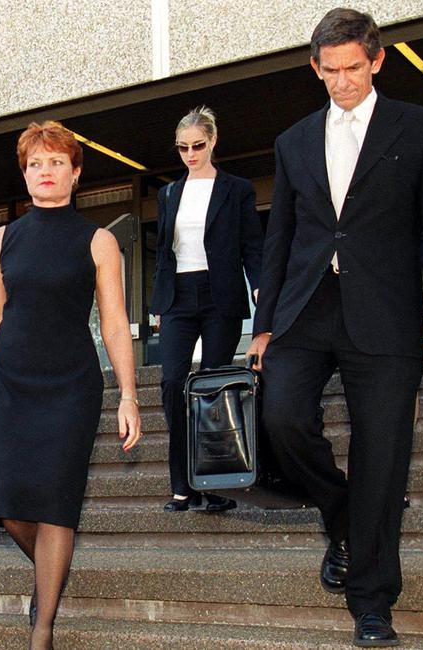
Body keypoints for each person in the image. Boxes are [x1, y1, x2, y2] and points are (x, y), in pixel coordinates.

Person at [247, 9, 423, 647]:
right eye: (330, 71)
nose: (342, 81)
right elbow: (281, 238)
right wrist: (262, 326)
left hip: (387, 311)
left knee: (383, 456)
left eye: (353, 68)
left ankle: (372, 602)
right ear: (314, 67)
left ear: (376, 61)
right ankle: (344, 514)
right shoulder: (293, 141)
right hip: (306, 306)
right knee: (282, 417)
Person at [0, 120, 141, 650]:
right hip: (10, 384)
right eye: (34, 164)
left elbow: (115, 323)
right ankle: (49, 578)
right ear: (25, 175)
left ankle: (42, 629)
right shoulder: (2, 239)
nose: (44, 172)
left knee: (56, 506)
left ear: (75, 172)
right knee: (13, 510)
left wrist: (128, 395)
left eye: (55, 163)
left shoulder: (98, 241)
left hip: (70, 387)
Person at [151, 106, 264, 512]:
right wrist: (158, 303)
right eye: (183, 148)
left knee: (215, 386)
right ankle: (183, 484)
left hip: (221, 295)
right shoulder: (168, 193)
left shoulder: (236, 189)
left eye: (198, 145)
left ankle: (217, 483)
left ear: (213, 142)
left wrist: (260, 286)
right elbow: (164, 251)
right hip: (178, 295)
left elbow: (252, 243)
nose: (190, 154)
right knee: (172, 385)